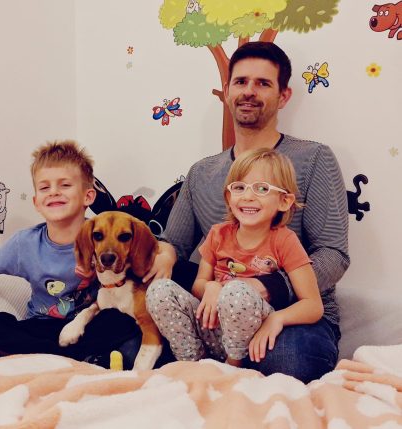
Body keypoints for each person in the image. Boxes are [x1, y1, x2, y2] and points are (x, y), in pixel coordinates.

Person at [146, 42, 349, 383]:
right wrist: (164, 255)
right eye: (240, 82)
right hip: (216, 309)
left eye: (263, 83)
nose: (249, 92)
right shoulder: (202, 172)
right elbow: (174, 244)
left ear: (283, 96)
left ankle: (227, 367)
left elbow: (333, 253)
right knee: (136, 339)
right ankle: (204, 366)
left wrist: (265, 286)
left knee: (290, 362)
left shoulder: (314, 158)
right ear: (227, 92)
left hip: (292, 313)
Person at [0, 140, 141, 365]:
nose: (54, 192)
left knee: (123, 321)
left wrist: (161, 255)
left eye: (65, 185)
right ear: (36, 203)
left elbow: (147, 257)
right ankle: (68, 357)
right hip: (40, 327)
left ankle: (53, 358)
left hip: (88, 326)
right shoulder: (25, 244)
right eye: (44, 188)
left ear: (88, 197)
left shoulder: (103, 236)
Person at [151, 147, 325, 367]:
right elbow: (199, 285)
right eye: (240, 187)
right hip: (212, 327)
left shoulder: (285, 240)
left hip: (252, 333)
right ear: (228, 196)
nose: (248, 196)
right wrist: (211, 287)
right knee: (159, 290)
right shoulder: (218, 234)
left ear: (284, 201)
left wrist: (277, 318)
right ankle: (192, 363)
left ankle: (233, 366)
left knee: (236, 291)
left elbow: (313, 305)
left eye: (262, 188)